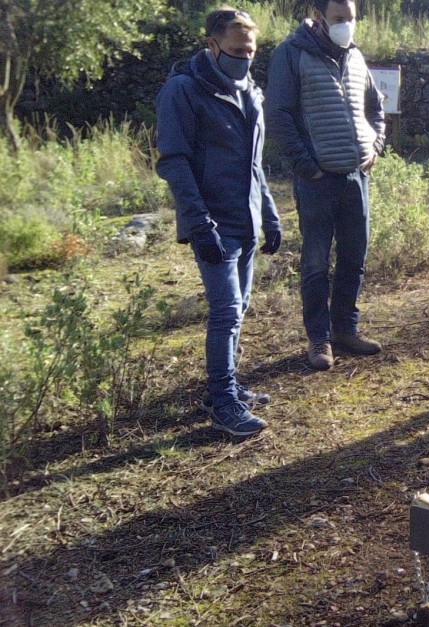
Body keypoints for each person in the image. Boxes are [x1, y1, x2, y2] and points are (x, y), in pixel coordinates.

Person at [156, 7, 281, 436]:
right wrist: (198, 223)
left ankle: (222, 389)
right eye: (236, 49)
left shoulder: (250, 91)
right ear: (211, 45)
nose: (245, 57)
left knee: (240, 307)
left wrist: (270, 212)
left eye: (251, 50)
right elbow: (175, 161)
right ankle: (223, 402)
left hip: (245, 219)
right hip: (213, 221)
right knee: (226, 311)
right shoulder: (183, 90)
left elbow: (255, 164)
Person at [266, 0, 386, 371]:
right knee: (316, 261)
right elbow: (278, 114)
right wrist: (305, 165)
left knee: (355, 256)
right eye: (338, 19)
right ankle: (319, 339)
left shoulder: (356, 56)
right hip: (317, 180)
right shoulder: (291, 54)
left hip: (355, 176)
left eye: (351, 18)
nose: (346, 25)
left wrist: (376, 146)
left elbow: (375, 108)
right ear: (319, 17)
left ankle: (346, 330)